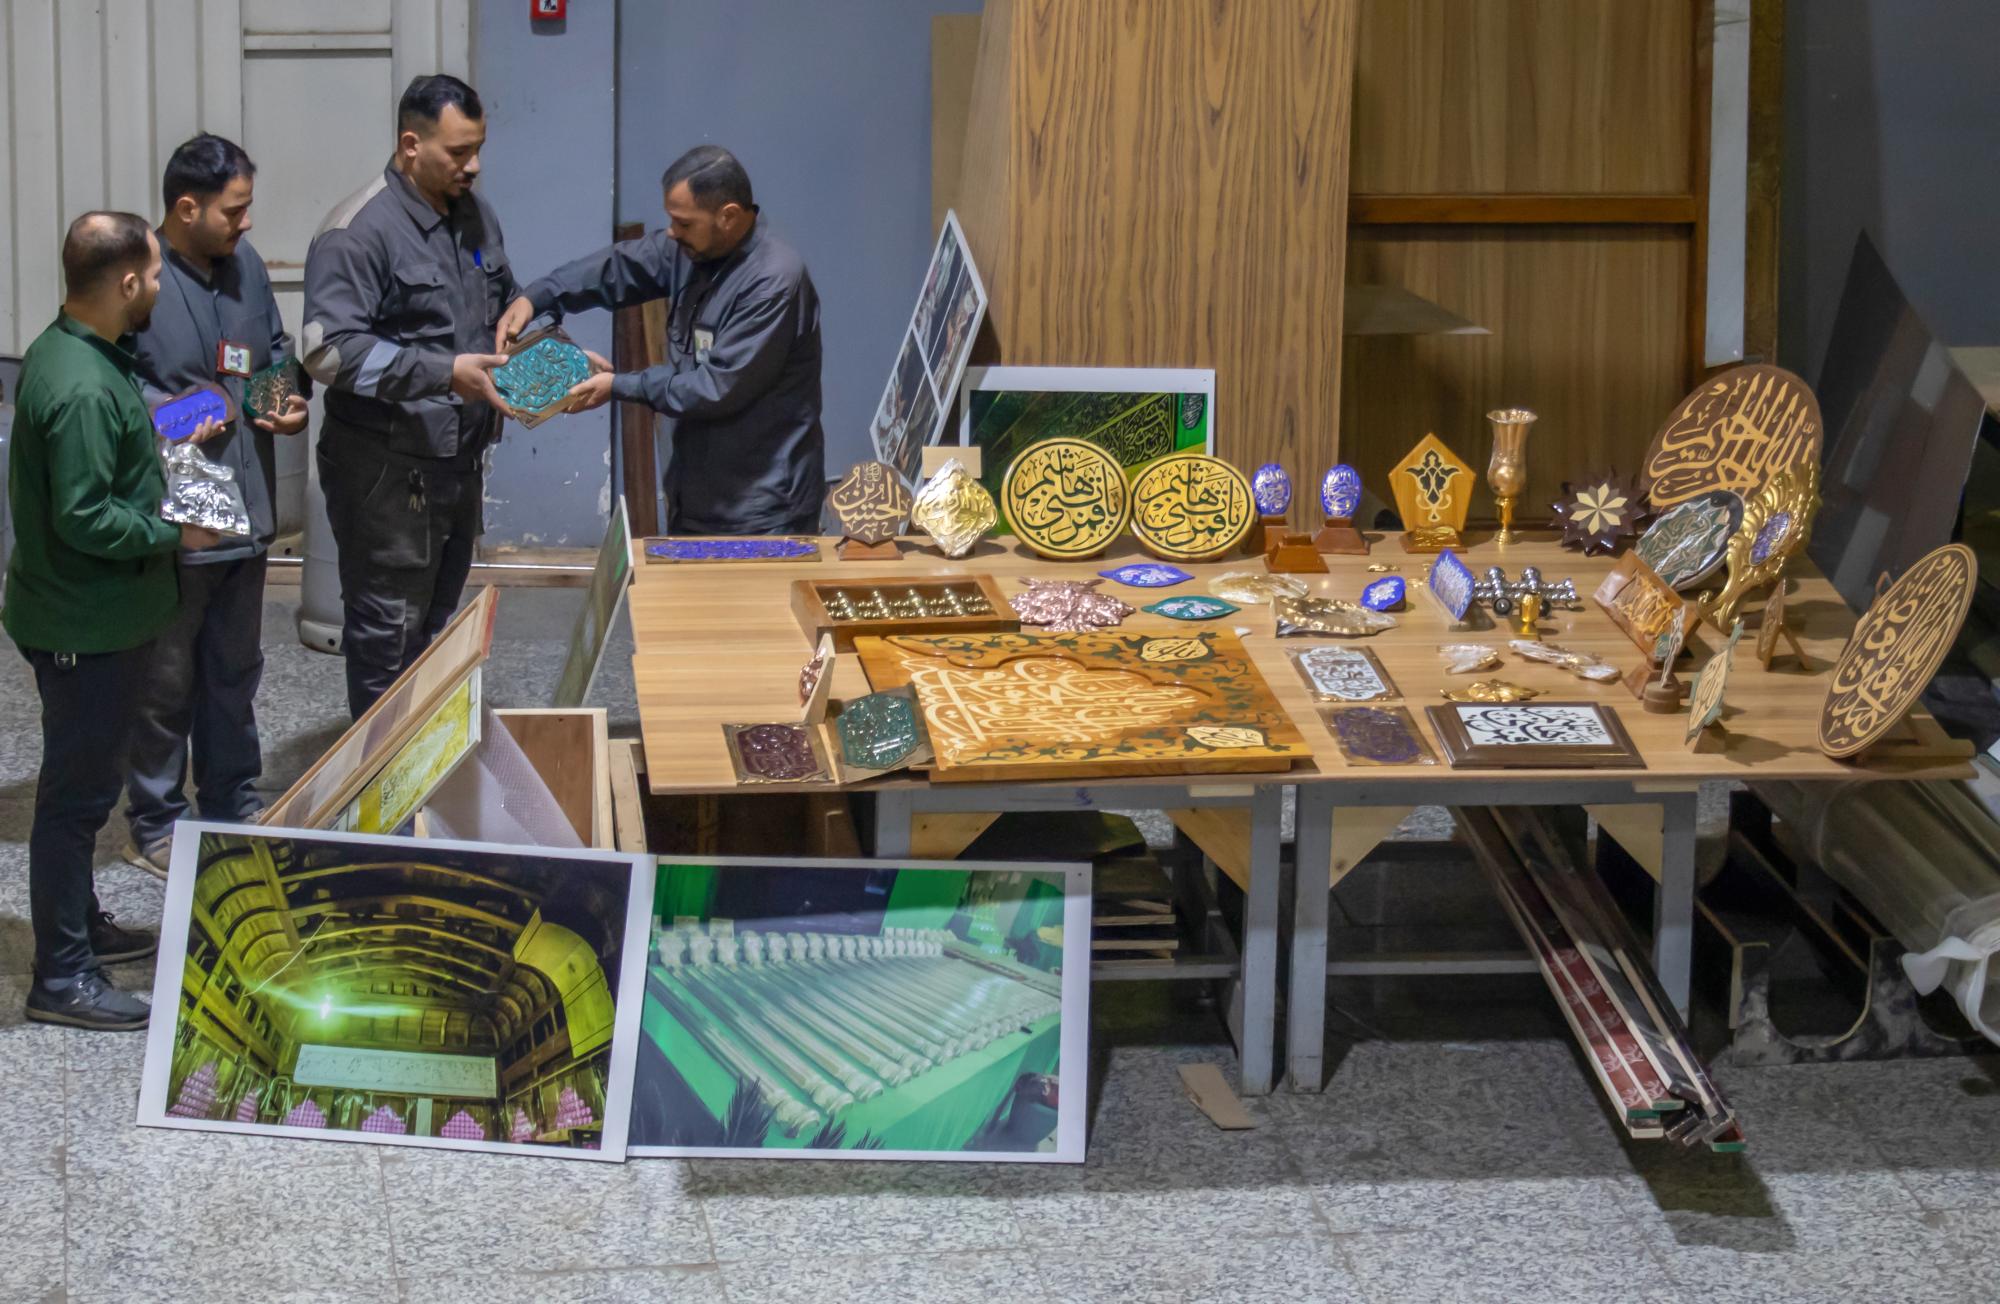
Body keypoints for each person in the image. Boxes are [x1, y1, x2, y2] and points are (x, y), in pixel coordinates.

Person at [3, 212, 225, 1029]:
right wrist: (177, 533)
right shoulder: (83, 386)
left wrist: (167, 438)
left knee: (89, 789)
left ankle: (79, 924)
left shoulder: (77, 349)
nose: (162, 286)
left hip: (99, 617)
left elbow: (104, 466)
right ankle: (61, 977)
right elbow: (84, 516)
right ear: (127, 281)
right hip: (83, 628)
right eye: (157, 275)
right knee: (74, 800)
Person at [120, 134, 312, 876]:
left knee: (235, 671)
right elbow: (115, 392)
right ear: (186, 208)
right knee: (166, 679)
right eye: (234, 211)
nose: (247, 222)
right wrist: (181, 415)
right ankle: (157, 822)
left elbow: (273, 351)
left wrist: (282, 399)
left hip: (248, 507)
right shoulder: (138, 276)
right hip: (181, 519)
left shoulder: (246, 266)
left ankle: (234, 801)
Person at [301, 74, 519, 720]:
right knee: (387, 635)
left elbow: (503, 301)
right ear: (410, 146)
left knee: (431, 628)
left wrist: (547, 353)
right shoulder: (358, 232)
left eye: (478, 149)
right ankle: (379, 780)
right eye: (458, 152)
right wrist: (443, 373)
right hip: (387, 475)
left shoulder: (474, 213)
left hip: (457, 464)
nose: (473, 166)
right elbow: (327, 351)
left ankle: (414, 760)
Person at [496, 145, 826, 535]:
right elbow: (617, 268)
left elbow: (715, 388)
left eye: (684, 223)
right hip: (697, 496)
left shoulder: (773, 280)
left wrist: (618, 384)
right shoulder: (691, 250)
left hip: (763, 511)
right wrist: (537, 297)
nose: (672, 232)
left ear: (728, 216)